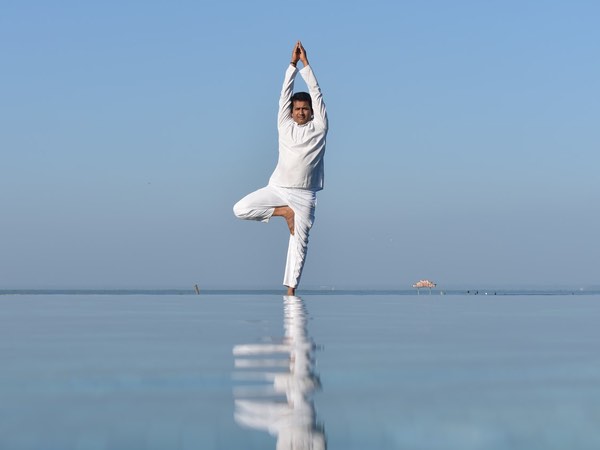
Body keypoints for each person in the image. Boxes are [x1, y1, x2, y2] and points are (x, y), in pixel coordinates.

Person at [233, 41, 328, 296]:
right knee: (240, 209)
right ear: (291, 112)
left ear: (311, 113)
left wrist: (306, 65)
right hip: (277, 189)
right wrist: (291, 65)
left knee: (299, 245)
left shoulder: (319, 128)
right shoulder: (284, 125)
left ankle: (290, 293)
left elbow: (317, 93)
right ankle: (284, 212)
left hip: (305, 195)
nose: (300, 112)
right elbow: (284, 94)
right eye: (296, 109)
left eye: (304, 109)